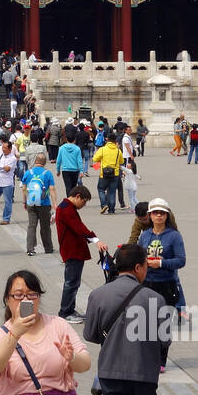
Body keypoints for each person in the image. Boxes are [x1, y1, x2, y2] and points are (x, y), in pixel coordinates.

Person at [84, 243, 167, 395]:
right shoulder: (155, 298)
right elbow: (164, 339)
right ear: (139, 267)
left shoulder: (98, 294)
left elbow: (90, 334)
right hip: (144, 373)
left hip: (111, 371)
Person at [137, 198, 185, 371]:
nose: (158, 216)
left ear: (167, 215)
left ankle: (160, 360)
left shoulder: (174, 235)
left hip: (166, 284)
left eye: (162, 213)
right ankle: (146, 357)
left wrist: (162, 263)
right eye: (155, 213)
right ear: (149, 215)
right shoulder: (145, 235)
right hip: (147, 284)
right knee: (145, 323)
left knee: (163, 324)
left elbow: (181, 260)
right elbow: (139, 255)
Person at [55, 184, 105, 324]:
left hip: (74, 249)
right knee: (71, 283)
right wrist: (96, 240)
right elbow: (79, 227)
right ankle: (65, 312)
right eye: (83, 201)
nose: (83, 205)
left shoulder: (67, 207)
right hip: (72, 250)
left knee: (74, 282)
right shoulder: (66, 209)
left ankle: (70, 309)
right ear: (77, 197)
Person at [22, 152, 57, 257]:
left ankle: (30, 248)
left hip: (31, 203)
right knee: (45, 226)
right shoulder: (47, 174)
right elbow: (52, 189)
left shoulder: (28, 173)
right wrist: (54, 203)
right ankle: (48, 247)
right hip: (44, 203)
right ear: (44, 162)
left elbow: (24, 189)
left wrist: (24, 201)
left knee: (32, 226)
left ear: (35, 161)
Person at [93, 132, 123, 215]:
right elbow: (121, 161)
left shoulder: (102, 149)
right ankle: (111, 209)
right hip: (115, 173)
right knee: (112, 191)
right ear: (115, 141)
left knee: (101, 189)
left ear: (107, 140)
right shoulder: (118, 150)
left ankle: (104, 204)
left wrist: (102, 160)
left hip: (104, 173)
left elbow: (95, 159)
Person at [0, 140, 18, 224]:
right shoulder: (0, 155)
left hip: (7, 183)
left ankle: (6, 218)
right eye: (2, 147)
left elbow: (7, 169)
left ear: (10, 149)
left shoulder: (12, 158)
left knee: (8, 202)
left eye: (5, 148)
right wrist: (2, 167)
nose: (3, 149)